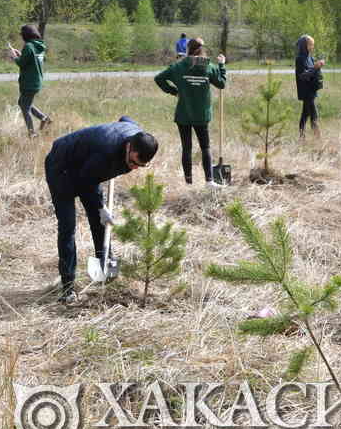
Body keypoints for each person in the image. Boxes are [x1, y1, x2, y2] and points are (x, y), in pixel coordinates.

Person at [45, 117, 158, 303]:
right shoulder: (105, 151)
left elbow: (125, 119)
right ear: (129, 147)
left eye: (141, 166)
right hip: (62, 167)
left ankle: (104, 269)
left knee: (100, 222)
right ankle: (67, 289)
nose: (136, 168)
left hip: (89, 167)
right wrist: (101, 207)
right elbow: (85, 181)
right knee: (68, 227)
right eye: (134, 162)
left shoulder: (135, 134)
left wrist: (100, 211)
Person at [154, 37, 227, 185]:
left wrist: (173, 91)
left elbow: (159, 78)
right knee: (205, 147)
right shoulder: (208, 66)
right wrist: (221, 66)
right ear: (201, 50)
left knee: (186, 148)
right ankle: (209, 181)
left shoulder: (179, 66)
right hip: (201, 114)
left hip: (183, 114)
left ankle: (188, 182)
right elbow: (221, 83)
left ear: (188, 49)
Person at [9, 24, 53, 137]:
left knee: (25, 108)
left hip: (28, 82)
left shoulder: (28, 46)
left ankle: (32, 133)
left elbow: (21, 63)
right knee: (23, 103)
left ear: (25, 35)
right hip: (36, 81)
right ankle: (44, 118)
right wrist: (20, 54)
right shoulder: (39, 45)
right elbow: (31, 59)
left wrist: (14, 56)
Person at [295, 35, 323, 139]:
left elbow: (312, 71)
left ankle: (301, 137)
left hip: (311, 89)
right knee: (314, 115)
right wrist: (315, 67)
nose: (312, 47)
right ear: (304, 46)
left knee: (305, 114)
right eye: (311, 44)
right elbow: (303, 76)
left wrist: (317, 66)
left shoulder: (309, 57)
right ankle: (318, 138)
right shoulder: (300, 59)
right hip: (306, 92)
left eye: (313, 45)